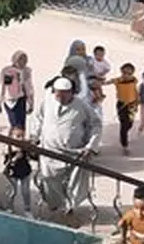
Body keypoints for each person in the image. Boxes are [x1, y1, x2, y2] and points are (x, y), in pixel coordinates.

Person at [29, 76, 103, 217]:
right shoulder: (48, 102)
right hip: (50, 150)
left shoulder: (81, 105)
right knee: (49, 180)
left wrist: (91, 146)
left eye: (65, 93)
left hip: (74, 152)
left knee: (75, 183)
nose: (61, 96)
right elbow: (38, 118)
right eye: (58, 93)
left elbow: (96, 124)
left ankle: (70, 207)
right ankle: (56, 205)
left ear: (71, 92)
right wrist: (34, 136)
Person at [0, 50, 35, 139]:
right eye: (20, 60)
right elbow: (3, 87)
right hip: (10, 101)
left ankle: (20, 144)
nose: (23, 62)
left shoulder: (26, 71)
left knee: (21, 124)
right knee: (14, 124)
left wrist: (31, 103)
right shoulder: (8, 71)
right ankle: (12, 145)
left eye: (25, 60)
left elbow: (29, 87)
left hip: (21, 99)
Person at [105, 63, 140, 155]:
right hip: (122, 105)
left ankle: (124, 136)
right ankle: (125, 145)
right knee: (124, 125)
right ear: (121, 72)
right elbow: (108, 82)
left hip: (131, 105)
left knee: (130, 124)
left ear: (132, 73)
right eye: (124, 72)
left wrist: (137, 101)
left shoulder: (134, 80)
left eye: (129, 73)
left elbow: (135, 90)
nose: (126, 75)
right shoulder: (118, 80)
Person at [3, 147, 35, 218]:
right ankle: (9, 208)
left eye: (21, 136)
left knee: (25, 191)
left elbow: (34, 156)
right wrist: (15, 158)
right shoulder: (9, 147)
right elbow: (5, 163)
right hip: (13, 172)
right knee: (13, 191)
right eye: (18, 136)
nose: (20, 137)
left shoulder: (25, 146)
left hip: (25, 171)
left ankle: (27, 210)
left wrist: (31, 152)